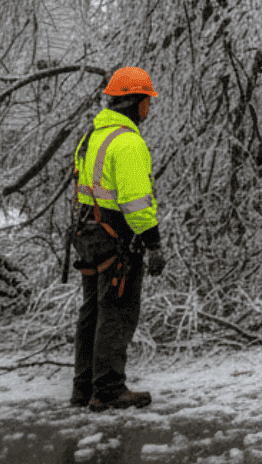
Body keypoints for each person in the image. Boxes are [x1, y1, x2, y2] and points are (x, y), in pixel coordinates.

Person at [69, 66, 167, 411]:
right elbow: (136, 204)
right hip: (117, 239)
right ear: (136, 102)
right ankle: (108, 390)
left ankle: (84, 389)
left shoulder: (92, 136)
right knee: (117, 314)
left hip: (89, 235)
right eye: (147, 101)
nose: (149, 108)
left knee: (92, 312)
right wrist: (153, 244)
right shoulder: (127, 143)